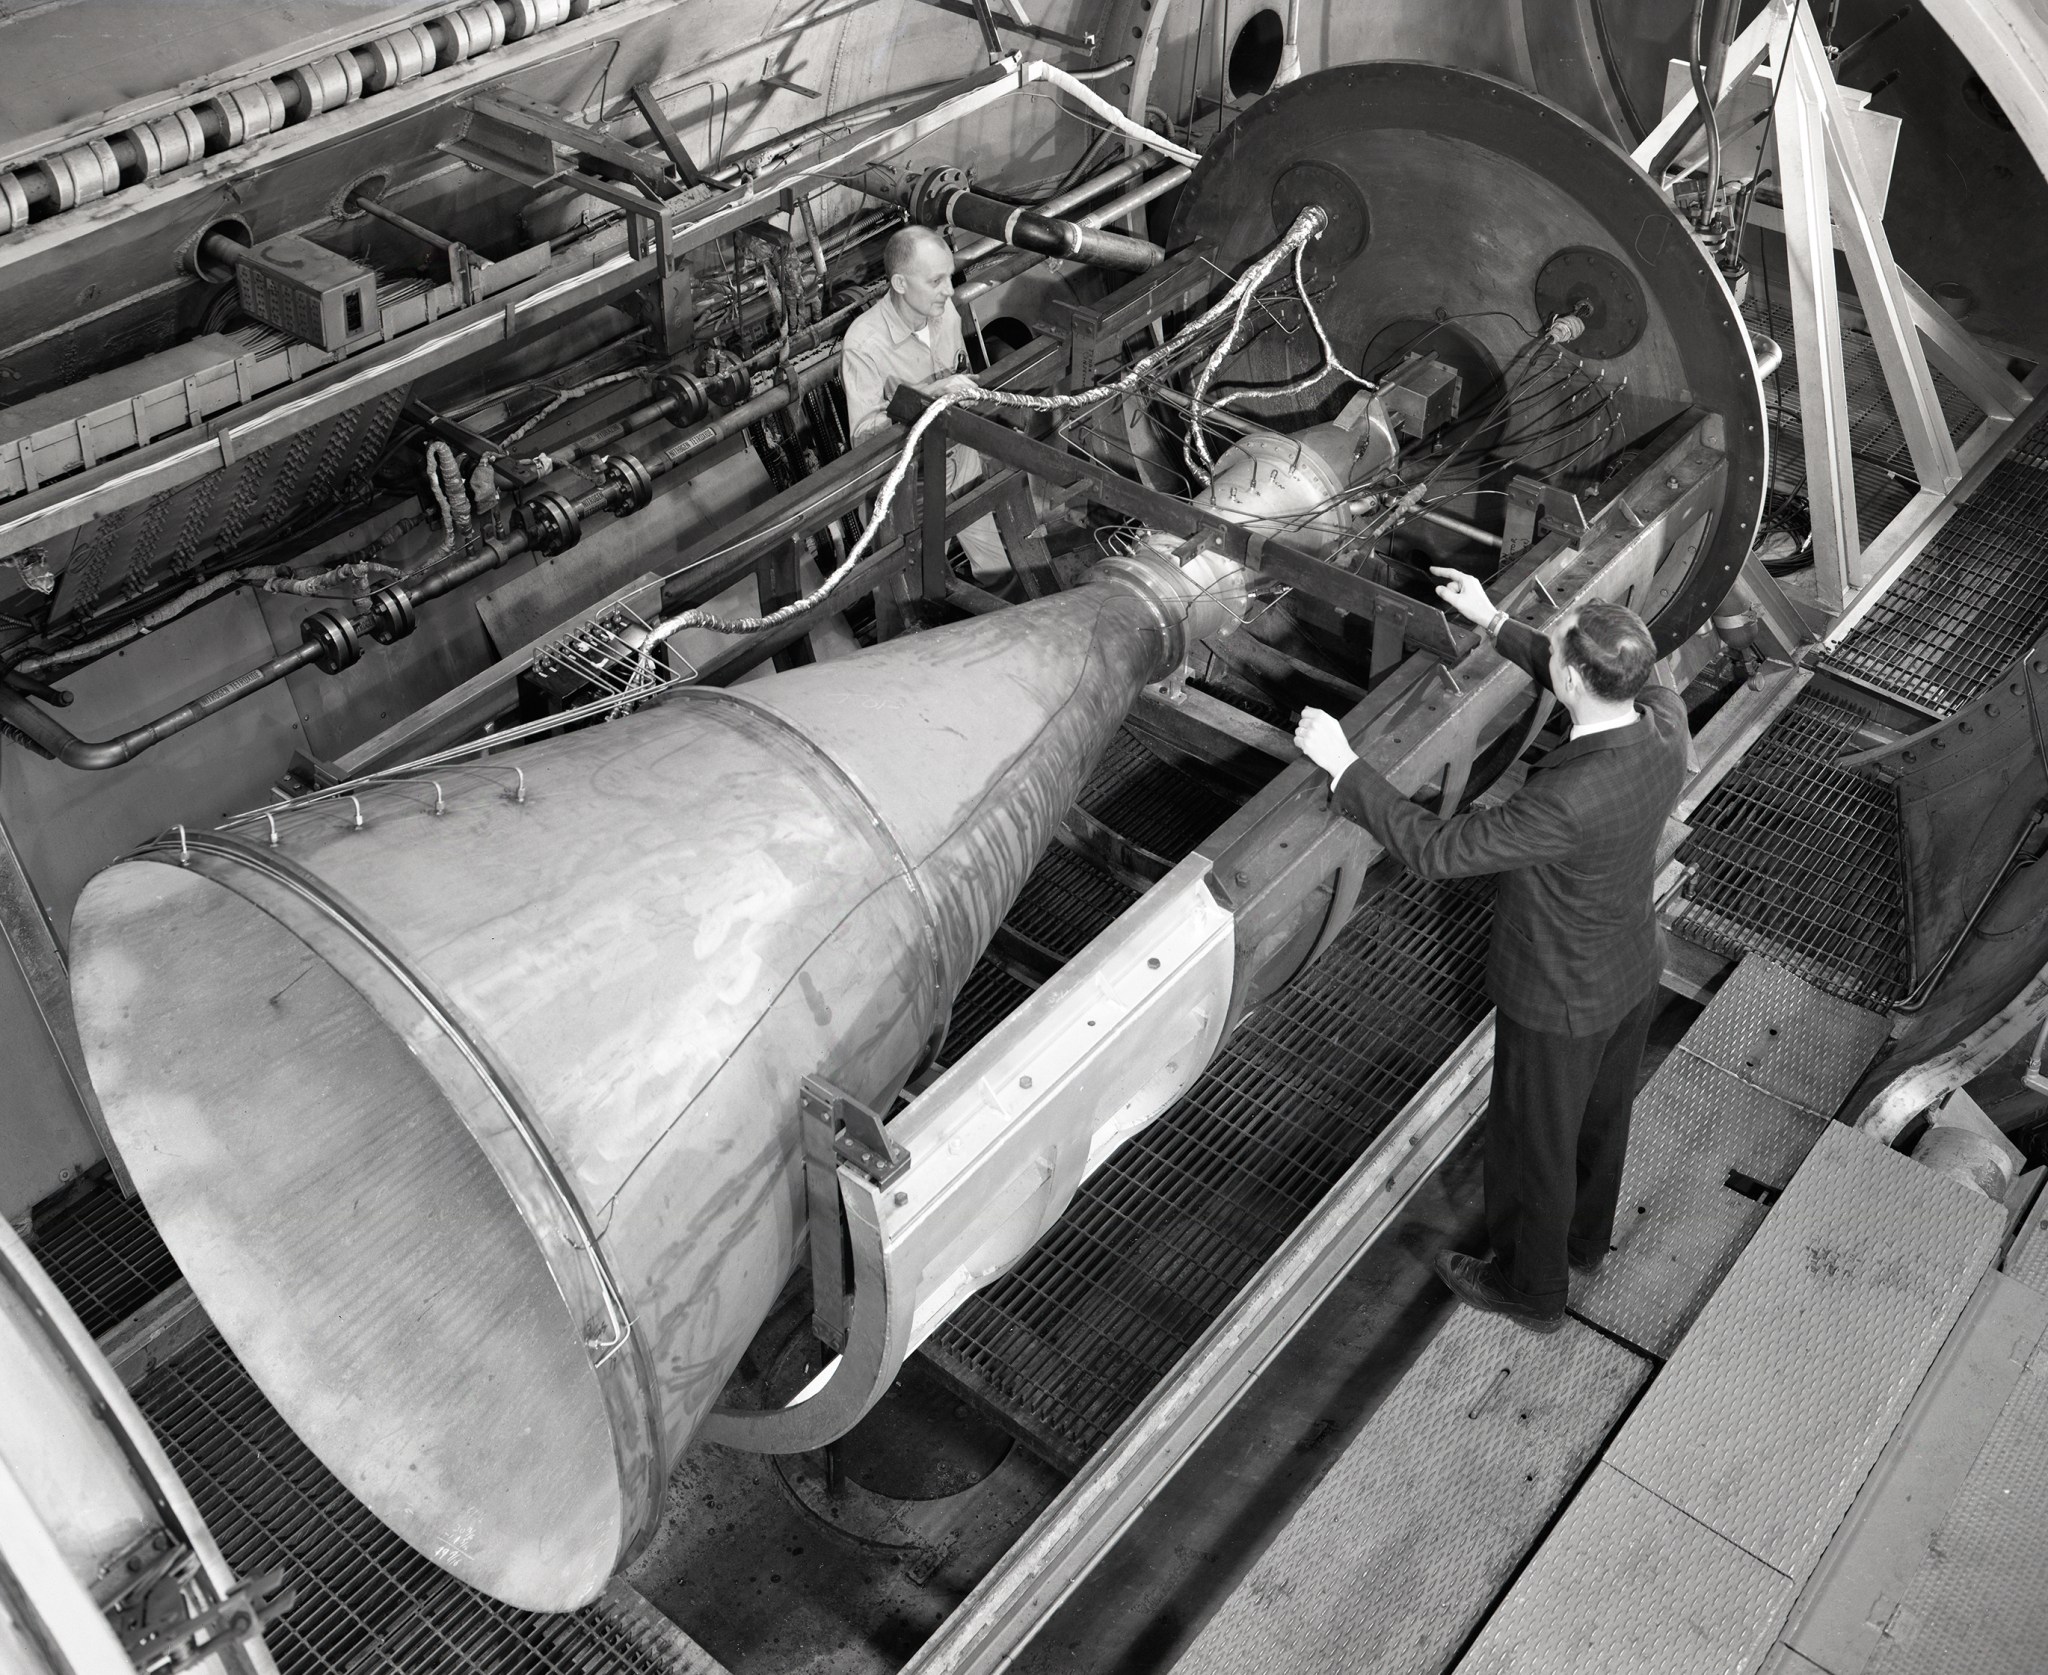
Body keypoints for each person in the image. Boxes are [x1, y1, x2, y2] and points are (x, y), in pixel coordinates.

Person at [1293, 568, 1689, 1334]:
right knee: (1602, 1120)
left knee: (1534, 1145)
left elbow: (1436, 849)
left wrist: (1345, 765)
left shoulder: (1566, 800)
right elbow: (1578, 678)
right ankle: (1583, 1243)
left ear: (1573, 677)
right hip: (1633, 968)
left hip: (1560, 1001)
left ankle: (1530, 1290)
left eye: (1561, 659)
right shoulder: (1661, 717)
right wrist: (1494, 620)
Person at [840, 224, 1012, 589]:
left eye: (949, 278)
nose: (949, 291)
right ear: (900, 284)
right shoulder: (864, 343)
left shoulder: (945, 311)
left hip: (962, 462)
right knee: (911, 594)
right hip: (912, 488)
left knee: (1001, 572)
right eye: (936, 282)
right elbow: (863, 437)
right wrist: (932, 392)